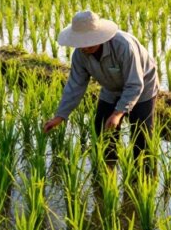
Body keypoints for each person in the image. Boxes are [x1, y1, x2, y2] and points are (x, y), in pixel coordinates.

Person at [42, 10, 159, 157]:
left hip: (142, 87)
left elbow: (135, 84)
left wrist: (118, 113)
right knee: (102, 130)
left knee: (141, 137)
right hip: (111, 88)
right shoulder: (80, 55)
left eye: (88, 40)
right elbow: (75, 86)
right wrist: (60, 116)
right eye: (81, 42)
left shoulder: (123, 46)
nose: (84, 46)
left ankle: (144, 176)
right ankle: (108, 171)